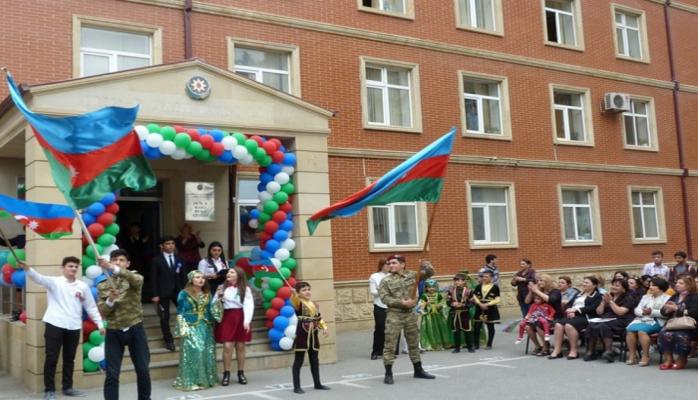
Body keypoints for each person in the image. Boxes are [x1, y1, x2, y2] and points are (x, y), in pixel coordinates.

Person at [20, 257, 104, 400]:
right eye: (70, 266)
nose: (73, 269)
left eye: (76, 266)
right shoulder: (54, 282)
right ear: (63, 267)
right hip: (55, 324)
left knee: (69, 359)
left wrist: (100, 324)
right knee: (52, 357)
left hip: (74, 326)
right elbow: (38, 278)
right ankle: (49, 390)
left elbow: (90, 306)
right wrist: (28, 269)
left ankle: (67, 388)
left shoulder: (82, 286)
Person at [97, 250, 151, 400]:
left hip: (135, 328)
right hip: (114, 331)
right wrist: (110, 300)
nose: (118, 262)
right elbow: (103, 311)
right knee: (112, 374)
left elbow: (136, 280)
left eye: (121, 260)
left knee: (142, 370)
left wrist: (112, 267)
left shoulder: (134, 278)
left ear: (127, 264)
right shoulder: (103, 285)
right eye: (114, 260)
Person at [379, 254, 435, 385]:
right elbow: (384, 298)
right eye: (389, 263)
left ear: (402, 264)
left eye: (394, 263)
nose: (390, 265)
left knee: (413, 342)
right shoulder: (386, 281)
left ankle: (418, 369)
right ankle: (388, 373)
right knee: (390, 344)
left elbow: (429, 274)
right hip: (394, 314)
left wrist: (425, 265)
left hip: (410, 314)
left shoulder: (412, 275)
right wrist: (401, 302)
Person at [173, 271, 222, 391]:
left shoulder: (207, 293)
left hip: (205, 326)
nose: (201, 280)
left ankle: (206, 379)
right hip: (190, 325)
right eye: (197, 277)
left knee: (207, 351)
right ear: (191, 280)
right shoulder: (184, 293)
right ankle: (191, 380)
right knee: (195, 351)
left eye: (202, 278)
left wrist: (218, 300)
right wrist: (182, 328)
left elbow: (211, 309)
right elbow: (180, 311)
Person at [583, 278, 638, 362]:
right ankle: (591, 352)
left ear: (624, 288)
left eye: (617, 286)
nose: (614, 287)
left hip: (622, 320)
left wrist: (610, 302)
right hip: (607, 318)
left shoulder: (628, 298)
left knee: (605, 325)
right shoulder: (608, 296)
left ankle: (609, 352)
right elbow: (599, 312)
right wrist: (603, 302)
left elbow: (620, 312)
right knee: (591, 324)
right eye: (613, 285)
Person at [215, 267, 254, 386]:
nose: (228, 273)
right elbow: (214, 304)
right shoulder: (222, 287)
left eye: (232, 272)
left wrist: (247, 321)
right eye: (228, 272)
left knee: (241, 346)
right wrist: (219, 297)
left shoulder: (245, 289)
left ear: (239, 275)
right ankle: (226, 373)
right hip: (227, 317)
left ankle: (241, 372)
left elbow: (249, 305)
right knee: (227, 346)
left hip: (241, 316)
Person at [290, 281, 331, 394]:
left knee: (314, 360)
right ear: (299, 293)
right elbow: (294, 301)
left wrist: (324, 327)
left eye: (308, 289)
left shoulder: (313, 304)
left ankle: (317, 383)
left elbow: (318, 317)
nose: (307, 291)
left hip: (313, 334)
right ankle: (296, 386)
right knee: (299, 360)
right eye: (304, 290)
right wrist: (294, 294)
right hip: (302, 333)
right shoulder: (299, 303)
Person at [548, 276, 602, 360]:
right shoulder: (579, 294)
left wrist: (576, 311)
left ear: (594, 285)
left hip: (587, 317)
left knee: (569, 325)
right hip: (574, 316)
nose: (584, 284)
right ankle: (557, 350)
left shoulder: (597, 295)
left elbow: (592, 307)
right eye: (584, 282)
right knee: (558, 324)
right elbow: (569, 304)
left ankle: (574, 351)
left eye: (587, 282)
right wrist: (569, 310)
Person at [625, 277, 670, 366]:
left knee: (642, 331)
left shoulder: (667, 298)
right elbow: (636, 310)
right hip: (642, 319)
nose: (650, 287)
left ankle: (645, 356)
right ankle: (632, 355)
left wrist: (651, 312)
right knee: (630, 330)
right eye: (650, 285)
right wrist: (643, 312)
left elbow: (665, 314)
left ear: (661, 287)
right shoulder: (645, 297)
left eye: (653, 285)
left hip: (657, 321)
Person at [151, 235, 184, 352]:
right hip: (162, 292)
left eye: (173, 244)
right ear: (161, 246)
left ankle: (185, 336)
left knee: (184, 313)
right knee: (165, 317)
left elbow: (182, 276)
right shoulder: (156, 260)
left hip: (178, 292)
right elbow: (153, 278)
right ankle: (169, 341)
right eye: (168, 243)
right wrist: (155, 294)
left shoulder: (179, 259)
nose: (171, 246)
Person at [657, 275, 698, 370]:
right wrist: (667, 309)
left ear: (688, 285)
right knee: (663, 334)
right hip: (672, 324)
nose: (677, 285)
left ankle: (682, 359)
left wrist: (676, 308)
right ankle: (669, 359)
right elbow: (662, 311)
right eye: (677, 283)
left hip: (688, 326)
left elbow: (695, 313)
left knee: (680, 335)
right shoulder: (674, 296)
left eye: (681, 283)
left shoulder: (694, 297)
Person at [524, 274, 563, 356]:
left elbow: (551, 300)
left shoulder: (555, 291)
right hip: (540, 317)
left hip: (554, 318)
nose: (539, 282)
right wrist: (531, 291)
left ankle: (546, 348)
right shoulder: (540, 292)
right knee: (527, 326)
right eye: (538, 280)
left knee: (539, 324)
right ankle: (538, 346)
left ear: (548, 282)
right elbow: (527, 302)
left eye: (541, 280)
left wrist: (537, 291)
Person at [418, 279, 451, 351]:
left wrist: (439, 306)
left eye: (433, 287)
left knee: (439, 329)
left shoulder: (438, 295)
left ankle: (442, 343)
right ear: (426, 288)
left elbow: (443, 302)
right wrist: (426, 304)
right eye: (429, 287)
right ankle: (431, 344)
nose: (431, 289)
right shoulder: (424, 295)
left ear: (436, 287)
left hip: (437, 315)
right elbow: (421, 304)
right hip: (428, 316)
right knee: (430, 329)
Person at [473, 270, 500, 350]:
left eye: (486, 277)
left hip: (490, 308)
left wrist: (487, 304)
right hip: (479, 308)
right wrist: (479, 303)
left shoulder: (495, 287)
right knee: (477, 327)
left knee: (490, 326)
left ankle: (489, 344)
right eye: (483, 276)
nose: (484, 278)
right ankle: (476, 344)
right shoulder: (478, 286)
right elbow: (475, 296)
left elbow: (497, 299)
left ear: (491, 278)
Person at [369, 258, 390, 360]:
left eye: (390, 264)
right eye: (386, 264)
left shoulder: (392, 276)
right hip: (379, 305)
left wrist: (382, 290)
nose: (388, 266)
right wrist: (384, 291)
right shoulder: (374, 276)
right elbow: (373, 292)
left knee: (390, 329)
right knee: (380, 328)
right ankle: (376, 351)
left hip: (391, 305)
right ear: (381, 265)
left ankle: (388, 351)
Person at [448, 273, 474, 353]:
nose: (457, 282)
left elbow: (472, 302)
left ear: (464, 281)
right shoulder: (451, 291)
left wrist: (464, 305)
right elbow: (448, 301)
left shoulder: (469, 291)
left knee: (467, 331)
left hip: (464, 313)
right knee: (456, 331)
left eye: (459, 280)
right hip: (455, 313)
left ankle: (470, 347)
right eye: (456, 280)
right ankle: (457, 348)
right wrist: (452, 304)